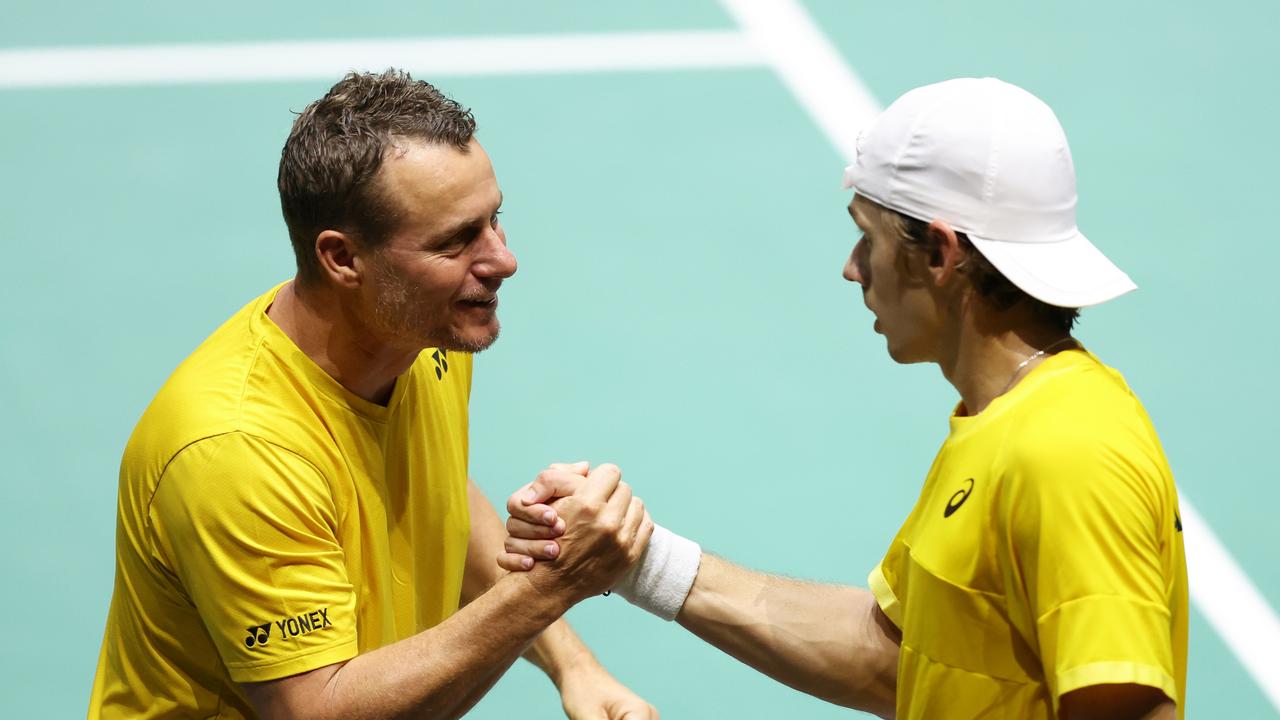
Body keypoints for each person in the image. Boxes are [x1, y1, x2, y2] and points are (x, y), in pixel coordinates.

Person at [502, 77, 1188, 719]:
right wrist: (638, 558)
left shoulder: (1066, 453)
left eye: (869, 236)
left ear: (942, 254)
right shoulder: (1004, 422)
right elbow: (896, 659)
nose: (852, 267)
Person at [89, 69, 657, 720]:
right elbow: (317, 710)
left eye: (494, 219)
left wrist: (574, 667)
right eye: (455, 240)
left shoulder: (421, 334)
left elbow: (436, 491)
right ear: (343, 259)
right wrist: (545, 591)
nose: (503, 260)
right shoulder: (237, 450)